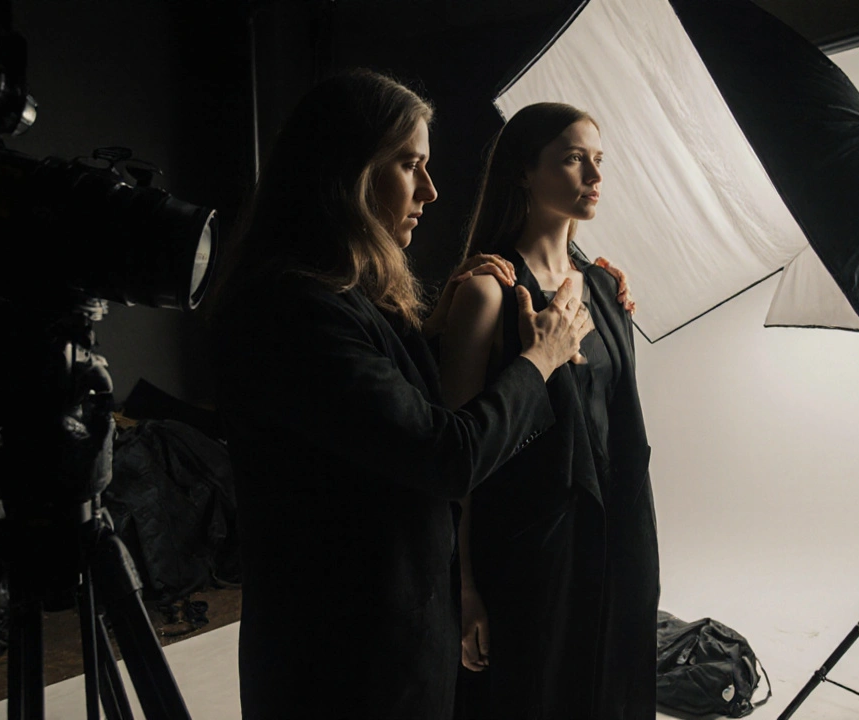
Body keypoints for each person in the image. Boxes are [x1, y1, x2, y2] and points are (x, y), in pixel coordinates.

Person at [204, 70, 595, 720]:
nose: (431, 190)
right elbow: (445, 457)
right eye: (410, 165)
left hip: (387, 646)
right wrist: (541, 359)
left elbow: (377, 420)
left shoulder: (340, 296)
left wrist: (434, 333)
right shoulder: (294, 310)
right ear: (347, 174)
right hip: (343, 670)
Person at [441, 102, 660, 719]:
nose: (593, 175)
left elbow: (614, 426)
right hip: (529, 554)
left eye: (598, 160)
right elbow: (458, 458)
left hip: (616, 540)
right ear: (524, 173)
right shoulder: (486, 291)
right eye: (571, 158)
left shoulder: (606, 288)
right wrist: (464, 586)